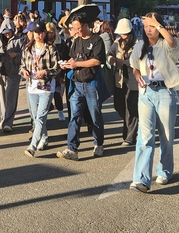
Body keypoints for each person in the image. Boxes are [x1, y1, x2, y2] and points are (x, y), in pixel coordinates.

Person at [129, 12, 179, 193]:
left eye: (152, 25)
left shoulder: (165, 45)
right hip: (146, 93)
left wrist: (158, 25)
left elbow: (173, 43)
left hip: (165, 92)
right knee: (145, 137)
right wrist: (137, 76)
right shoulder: (140, 46)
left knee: (166, 135)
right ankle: (141, 179)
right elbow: (134, 65)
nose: (148, 29)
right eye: (146, 26)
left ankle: (165, 170)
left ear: (159, 26)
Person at [57, 12, 107, 161]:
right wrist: (67, 64)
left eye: (78, 28)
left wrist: (77, 64)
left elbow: (97, 61)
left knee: (95, 115)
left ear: (86, 25)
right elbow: (73, 57)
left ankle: (98, 143)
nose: (76, 31)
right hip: (77, 83)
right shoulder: (76, 41)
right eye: (74, 28)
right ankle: (72, 148)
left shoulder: (97, 40)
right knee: (74, 115)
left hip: (92, 84)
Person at [20, 22, 60, 157]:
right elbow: (22, 65)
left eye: (41, 32)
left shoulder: (51, 49)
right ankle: (44, 137)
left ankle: (33, 146)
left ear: (45, 33)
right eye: (36, 33)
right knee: (35, 116)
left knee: (41, 116)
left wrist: (45, 72)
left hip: (46, 87)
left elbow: (57, 68)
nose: (38, 35)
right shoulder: (27, 49)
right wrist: (24, 71)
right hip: (32, 86)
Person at [107, 18, 139, 146]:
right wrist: (112, 59)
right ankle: (132, 126)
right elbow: (108, 54)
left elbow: (138, 61)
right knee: (119, 105)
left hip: (132, 80)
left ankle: (129, 138)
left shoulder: (137, 44)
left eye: (124, 33)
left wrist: (125, 62)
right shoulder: (116, 43)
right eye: (121, 33)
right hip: (119, 80)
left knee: (131, 108)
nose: (122, 35)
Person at [0, 25, 23, 132]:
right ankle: (4, 119)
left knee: (10, 98)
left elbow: (25, 55)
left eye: (9, 31)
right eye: (5, 32)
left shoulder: (18, 40)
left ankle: (8, 123)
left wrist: (16, 56)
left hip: (14, 73)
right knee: (2, 99)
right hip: (0, 73)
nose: (7, 34)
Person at [45, 22, 66, 121]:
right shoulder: (43, 43)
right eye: (48, 32)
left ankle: (60, 110)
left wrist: (62, 75)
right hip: (46, 72)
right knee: (46, 93)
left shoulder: (60, 42)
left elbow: (65, 57)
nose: (51, 34)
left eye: (52, 32)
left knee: (57, 93)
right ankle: (49, 107)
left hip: (58, 71)